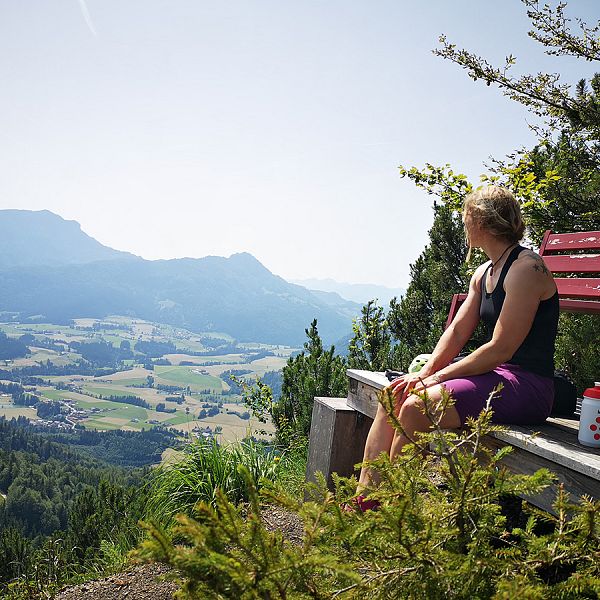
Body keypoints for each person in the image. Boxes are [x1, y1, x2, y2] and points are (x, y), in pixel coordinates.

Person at [356, 185, 559, 501]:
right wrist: (423, 374)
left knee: (415, 407)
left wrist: (434, 378)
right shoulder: (484, 273)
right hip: (496, 378)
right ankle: (365, 502)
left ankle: (393, 513)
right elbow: (456, 333)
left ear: (481, 221)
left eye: (467, 217)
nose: (464, 223)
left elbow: (499, 349)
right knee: (393, 395)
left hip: (528, 386)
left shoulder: (525, 269)